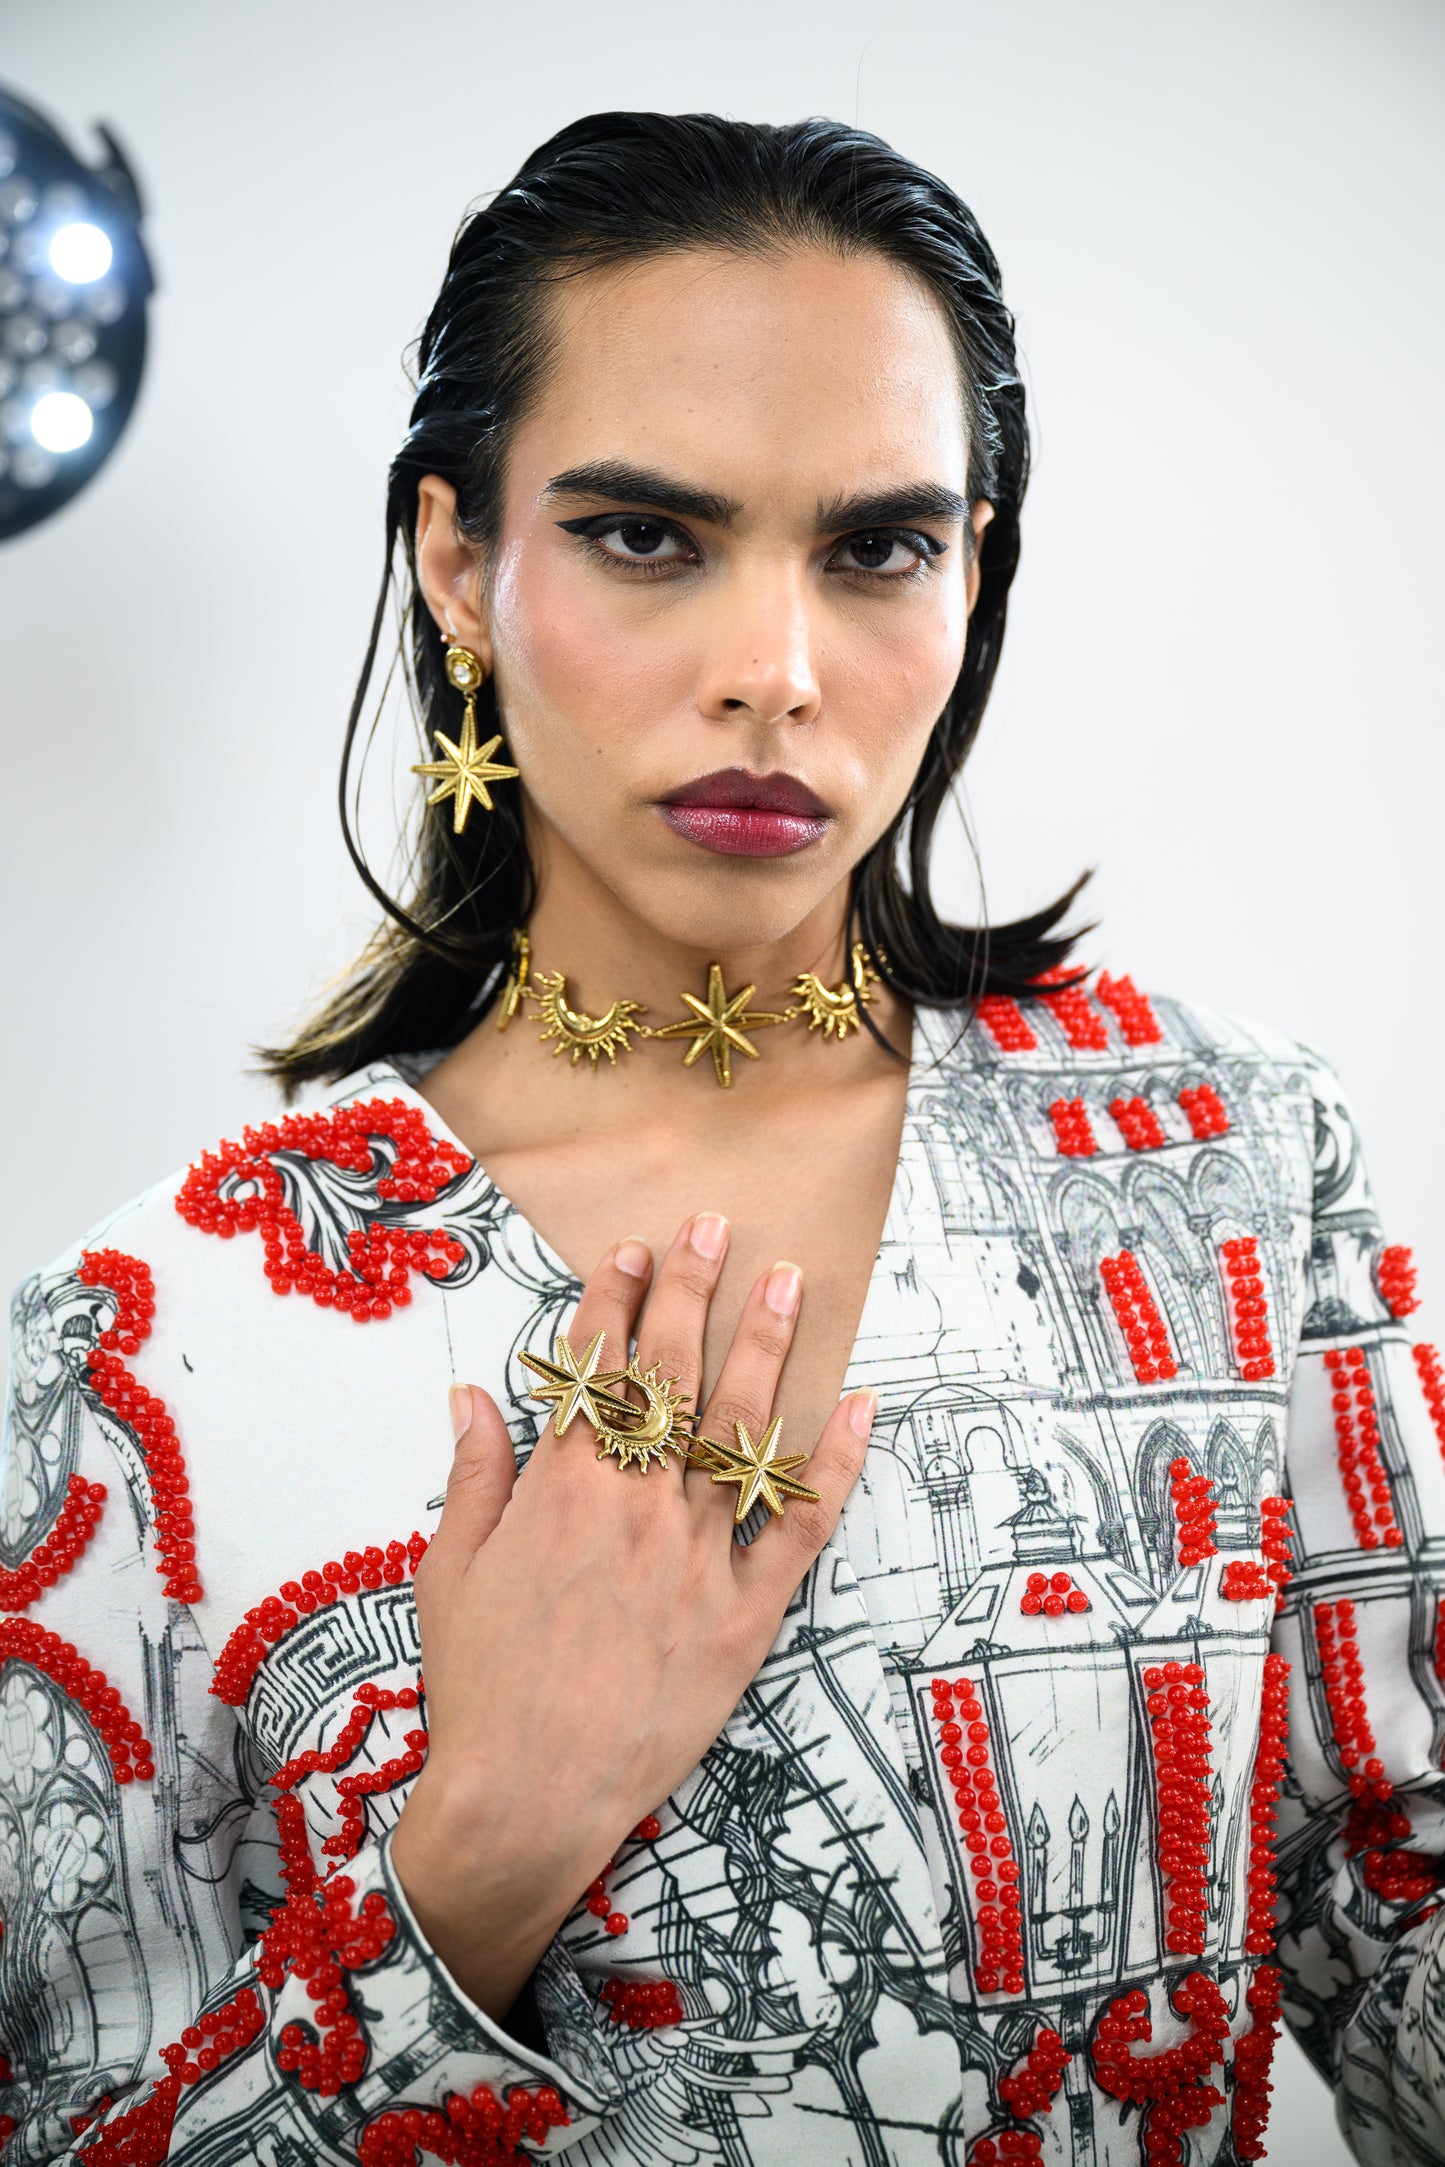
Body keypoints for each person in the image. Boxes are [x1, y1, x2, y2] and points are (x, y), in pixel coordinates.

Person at [1, 109, 1441, 2167]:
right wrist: (478, 1856)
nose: (774, 671)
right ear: (455, 561)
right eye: (647, 537)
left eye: (878, 547)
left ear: (975, 579)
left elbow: (1406, 1922)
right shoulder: (145, 1353)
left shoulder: (1222, 1160)